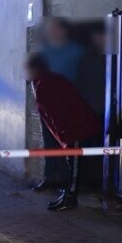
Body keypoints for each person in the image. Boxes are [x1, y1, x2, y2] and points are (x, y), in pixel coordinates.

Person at [26, 54, 102, 211]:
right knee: (73, 164)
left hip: (76, 129)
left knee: (74, 166)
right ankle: (68, 195)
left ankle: (70, 198)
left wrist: (66, 136)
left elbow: (57, 112)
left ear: (35, 69)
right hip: (72, 129)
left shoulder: (47, 83)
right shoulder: (44, 81)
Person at [34, 18, 86, 192]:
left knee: (68, 145)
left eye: (56, 30)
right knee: (48, 142)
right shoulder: (45, 53)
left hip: (66, 105)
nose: (53, 33)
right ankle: (50, 177)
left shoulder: (76, 52)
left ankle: (67, 183)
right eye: (51, 30)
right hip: (48, 106)